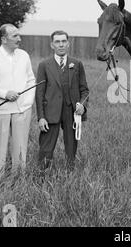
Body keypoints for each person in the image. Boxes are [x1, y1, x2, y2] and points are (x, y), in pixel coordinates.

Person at [0, 24, 36, 184]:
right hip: (0, 111)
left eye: (18, 35)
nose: (19, 39)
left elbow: (31, 80)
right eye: (15, 36)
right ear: (3, 39)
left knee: (20, 149)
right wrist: (4, 93)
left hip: (22, 111)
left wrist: (26, 103)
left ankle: (18, 182)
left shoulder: (24, 55)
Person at [35, 30, 89, 171]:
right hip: (50, 112)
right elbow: (39, 94)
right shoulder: (44, 65)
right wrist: (41, 117)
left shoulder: (77, 64)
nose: (61, 45)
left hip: (71, 113)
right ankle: (42, 176)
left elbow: (85, 90)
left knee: (71, 147)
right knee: (46, 147)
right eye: (57, 42)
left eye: (64, 41)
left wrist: (82, 105)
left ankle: (69, 174)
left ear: (68, 44)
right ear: (52, 45)